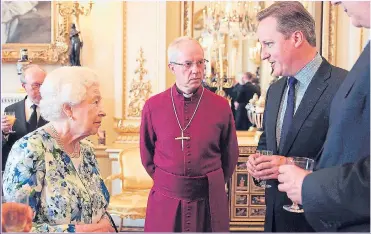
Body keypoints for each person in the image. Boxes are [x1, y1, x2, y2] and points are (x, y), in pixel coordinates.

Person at [245, 1, 348, 232]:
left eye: (268, 44)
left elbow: (351, 166)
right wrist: (259, 164)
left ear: (297, 38)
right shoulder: (274, 89)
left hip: (317, 223)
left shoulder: (344, 86)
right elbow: (267, 144)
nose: (263, 55)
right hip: (274, 221)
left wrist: (291, 165)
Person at [278, 1, 370, 232]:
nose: (334, 1)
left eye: (269, 43)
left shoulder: (338, 79)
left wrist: (310, 186)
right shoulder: (274, 90)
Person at [140, 36, 239, 232]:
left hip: (208, 199)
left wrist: (208, 182)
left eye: (200, 62)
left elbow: (230, 155)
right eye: (187, 64)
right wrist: (172, 182)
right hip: (167, 198)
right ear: (172, 68)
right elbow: (147, 154)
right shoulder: (154, 106)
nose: (196, 69)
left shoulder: (220, 106)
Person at [3, 66, 115, 233]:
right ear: (68, 109)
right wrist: (75, 231)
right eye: (95, 102)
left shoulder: (87, 150)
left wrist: (106, 224)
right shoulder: (29, 150)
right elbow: (14, 228)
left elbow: (99, 207)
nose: (103, 111)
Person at [2, 64, 48, 171]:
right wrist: (3, 133)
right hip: (19, 168)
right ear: (24, 86)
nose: (41, 90)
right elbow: (6, 146)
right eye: (36, 85)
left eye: (44, 85)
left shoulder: (54, 110)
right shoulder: (11, 110)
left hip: (46, 168)